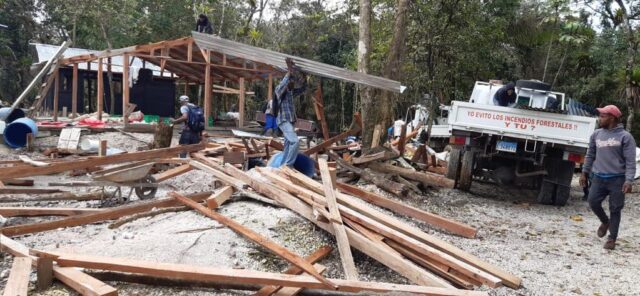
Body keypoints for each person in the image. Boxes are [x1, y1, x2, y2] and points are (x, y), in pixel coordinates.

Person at [580, 105, 636, 250]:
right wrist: (584, 173)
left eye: (603, 116)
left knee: (615, 209)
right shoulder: (596, 134)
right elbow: (590, 155)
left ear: (612, 118)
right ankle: (605, 222)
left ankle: (612, 239)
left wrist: (629, 180)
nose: (600, 118)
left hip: (617, 179)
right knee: (592, 202)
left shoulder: (625, 137)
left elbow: (630, 161)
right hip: (598, 177)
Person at [274, 58, 307, 167]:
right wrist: (289, 72)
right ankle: (288, 165)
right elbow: (284, 83)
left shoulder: (290, 93)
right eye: (291, 82)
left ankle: (283, 165)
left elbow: (302, 89)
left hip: (290, 121)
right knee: (295, 142)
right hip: (283, 120)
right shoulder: (279, 90)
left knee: (288, 144)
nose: (293, 84)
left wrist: (305, 78)